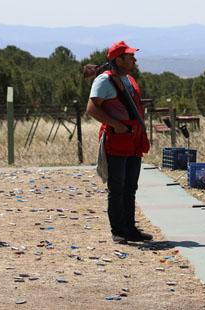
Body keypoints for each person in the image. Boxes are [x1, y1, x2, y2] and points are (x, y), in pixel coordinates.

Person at [86, 41, 152, 244]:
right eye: (130, 56)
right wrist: (116, 125)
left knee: (130, 187)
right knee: (117, 188)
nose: (134, 59)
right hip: (117, 140)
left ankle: (130, 229)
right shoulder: (103, 81)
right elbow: (92, 109)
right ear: (118, 60)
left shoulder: (130, 80)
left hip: (133, 141)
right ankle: (118, 231)